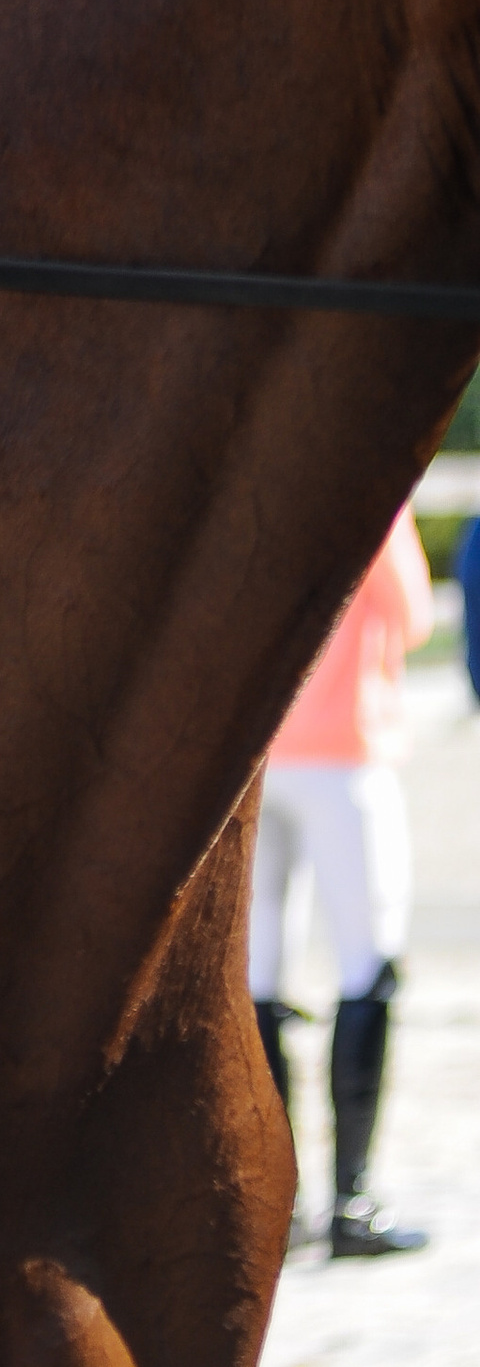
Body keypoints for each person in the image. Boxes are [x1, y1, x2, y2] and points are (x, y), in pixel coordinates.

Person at [249, 500, 434, 1258]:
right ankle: (352, 1200)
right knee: (368, 963)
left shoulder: (257, 494)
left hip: (260, 757)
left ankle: (275, 1202)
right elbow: (413, 614)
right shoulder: (376, 489)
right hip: (345, 753)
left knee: (260, 975)